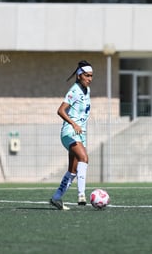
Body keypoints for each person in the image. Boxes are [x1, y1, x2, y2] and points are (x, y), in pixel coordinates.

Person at [49, 60, 93, 210]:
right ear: (80, 75)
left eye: (91, 76)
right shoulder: (74, 91)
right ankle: (81, 194)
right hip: (69, 132)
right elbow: (60, 110)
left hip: (80, 134)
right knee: (84, 158)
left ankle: (56, 198)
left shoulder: (87, 91)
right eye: (87, 75)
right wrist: (73, 123)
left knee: (73, 170)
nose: (90, 79)